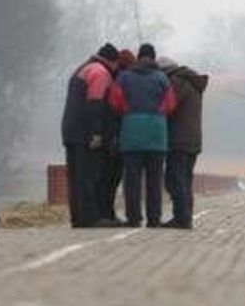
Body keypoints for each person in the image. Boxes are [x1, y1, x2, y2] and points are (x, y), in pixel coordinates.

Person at [108, 44, 177, 227]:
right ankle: (154, 219)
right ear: (154, 59)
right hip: (157, 134)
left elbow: (115, 102)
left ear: (138, 57)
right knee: (155, 180)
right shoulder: (162, 78)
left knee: (132, 179)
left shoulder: (124, 77)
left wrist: (129, 111)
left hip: (131, 133)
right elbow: (170, 105)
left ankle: (133, 218)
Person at [61, 43, 121, 227]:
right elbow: (95, 104)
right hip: (85, 132)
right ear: (112, 61)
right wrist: (96, 133)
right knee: (88, 176)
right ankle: (90, 218)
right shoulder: (101, 73)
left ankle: (78, 217)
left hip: (70, 130)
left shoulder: (83, 68)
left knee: (75, 176)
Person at [157, 57, 209, 229]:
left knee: (174, 179)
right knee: (185, 179)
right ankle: (185, 217)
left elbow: (168, 107)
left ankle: (181, 218)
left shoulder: (177, 82)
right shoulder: (193, 83)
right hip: (193, 140)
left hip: (179, 139)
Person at [101, 48, 136, 223]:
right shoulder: (126, 80)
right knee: (114, 177)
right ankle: (108, 213)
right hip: (119, 132)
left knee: (108, 176)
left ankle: (106, 212)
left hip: (111, 132)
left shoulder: (113, 77)